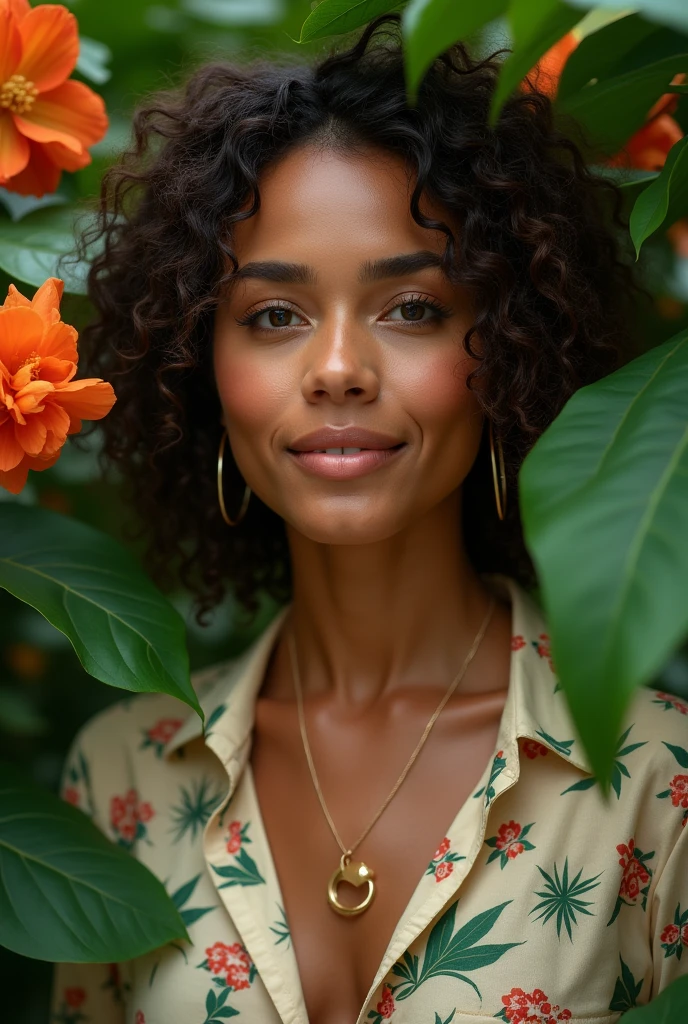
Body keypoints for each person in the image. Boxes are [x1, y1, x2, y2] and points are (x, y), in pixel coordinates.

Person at [51, 15, 688, 1024]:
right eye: (273, 316)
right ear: (198, 368)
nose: (339, 367)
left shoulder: (660, 783)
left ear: (511, 352)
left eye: (413, 309)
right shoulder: (121, 771)